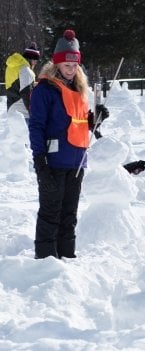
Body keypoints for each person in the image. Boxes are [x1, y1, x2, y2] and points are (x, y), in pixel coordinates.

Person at [28, 29, 110, 259]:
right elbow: (36, 126)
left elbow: (81, 123)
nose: (71, 69)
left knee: (69, 213)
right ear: (56, 64)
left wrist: (96, 119)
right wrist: (39, 158)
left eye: (75, 66)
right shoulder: (45, 90)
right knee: (50, 211)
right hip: (52, 161)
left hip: (76, 161)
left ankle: (67, 257)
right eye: (67, 65)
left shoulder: (79, 90)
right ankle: (45, 260)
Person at [5, 42, 41, 124]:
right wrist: (33, 113)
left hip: (12, 110)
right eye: (35, 60)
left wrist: (33, 84)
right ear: (31, 59)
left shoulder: (14, 66)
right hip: (23, 114)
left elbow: (16, 85)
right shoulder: (26, 70)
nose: (36, 63)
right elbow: (26, 94)